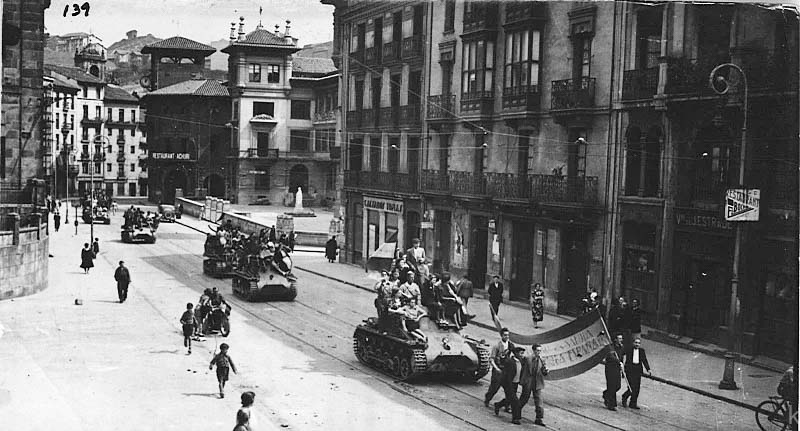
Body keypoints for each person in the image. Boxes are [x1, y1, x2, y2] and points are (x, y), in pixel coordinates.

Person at [494, 346, 526, 424]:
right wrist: (503, 357)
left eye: (523, 353)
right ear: (516, 353)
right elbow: (503, 362)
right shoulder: (510, 361)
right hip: (508, 384)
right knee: (515, 401)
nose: (522, 355)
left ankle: (498, 405)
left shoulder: (521, 361)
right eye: (521, 353)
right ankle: (516, 419)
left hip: (515, 384)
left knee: (509, 399)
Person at [485, 328, 516, 407]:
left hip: (506, 370)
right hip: (498, 370)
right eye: (505, 335)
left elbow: (515, 354)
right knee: (494, 388)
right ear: (501, 336)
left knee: (509, 390)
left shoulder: (510, 345)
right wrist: (496, 368)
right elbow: (491, 359)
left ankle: (507, 406)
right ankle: (487, 399)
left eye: (508, 335)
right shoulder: (497, 346)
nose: (507, 337)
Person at [520, 344, 548, 426]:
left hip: (537, 382)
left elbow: (544, 373)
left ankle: (539, 418)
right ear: (533, 350)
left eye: (540, 351)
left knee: (539, 400)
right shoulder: (527, 359)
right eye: (537, 350)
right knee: (524, 398)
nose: (539, 352)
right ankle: (516, 414)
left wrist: (546, 371)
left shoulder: (542, 360)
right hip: (528, 381)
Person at [621, 338, 651, 409]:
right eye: (636, 343)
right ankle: (625, 396)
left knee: (637, 388)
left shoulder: (642, 351)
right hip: (630, 369)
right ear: (633, 343)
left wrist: (648, 369)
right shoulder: (629, 349)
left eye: (638, 343)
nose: (637, 344)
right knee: (631, 386)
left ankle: (633, 403)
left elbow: (644, 360)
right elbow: (621, 353)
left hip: (637, 370)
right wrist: (621, 362)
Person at [603, 333, 626, 411]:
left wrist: (622, 370)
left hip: (617, 368)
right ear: (615, 339)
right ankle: (612, 405)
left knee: (617, 386)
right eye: (619, 338)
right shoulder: (611, 347)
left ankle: (606, 394)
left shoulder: (622, 347)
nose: (620, 340)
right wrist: (618, 361)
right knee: (612, 386)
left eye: (621, 338)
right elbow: (610, 356)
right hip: (610, 368)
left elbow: (622, 358)